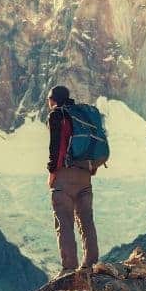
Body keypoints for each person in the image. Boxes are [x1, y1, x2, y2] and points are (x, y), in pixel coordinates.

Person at [46, 85, 99, 277]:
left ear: (54, 100)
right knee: (86, 220)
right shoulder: (82, 115)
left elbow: (56, 147)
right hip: (85, 175)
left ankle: (69, 269)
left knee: (64, 221)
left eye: (49, 99)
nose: (48, 103)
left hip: (65, 175)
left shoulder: (57, 115)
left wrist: (53, 171)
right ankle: (91, 265)